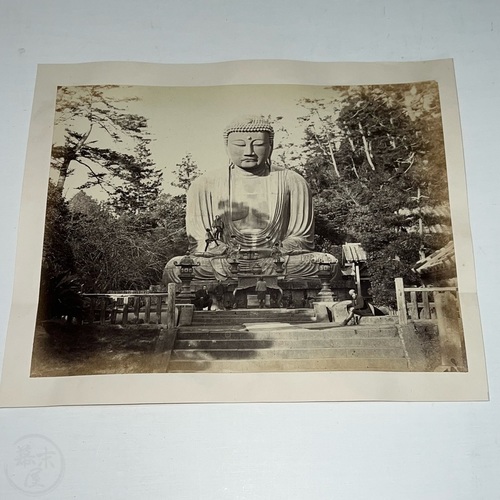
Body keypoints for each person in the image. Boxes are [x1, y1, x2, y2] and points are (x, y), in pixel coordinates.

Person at [163, 115, 337, 284]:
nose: (249, 152)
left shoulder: (292, 181)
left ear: (271, 145)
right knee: (174, 268)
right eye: (240, 144)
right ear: (226, 146)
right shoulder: (204, 184)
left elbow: (301, 238)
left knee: (328, 263)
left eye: (259, 144)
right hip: (223, 260)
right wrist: (221, 250)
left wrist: (276, 250)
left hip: (277, 259)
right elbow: (199, 240)